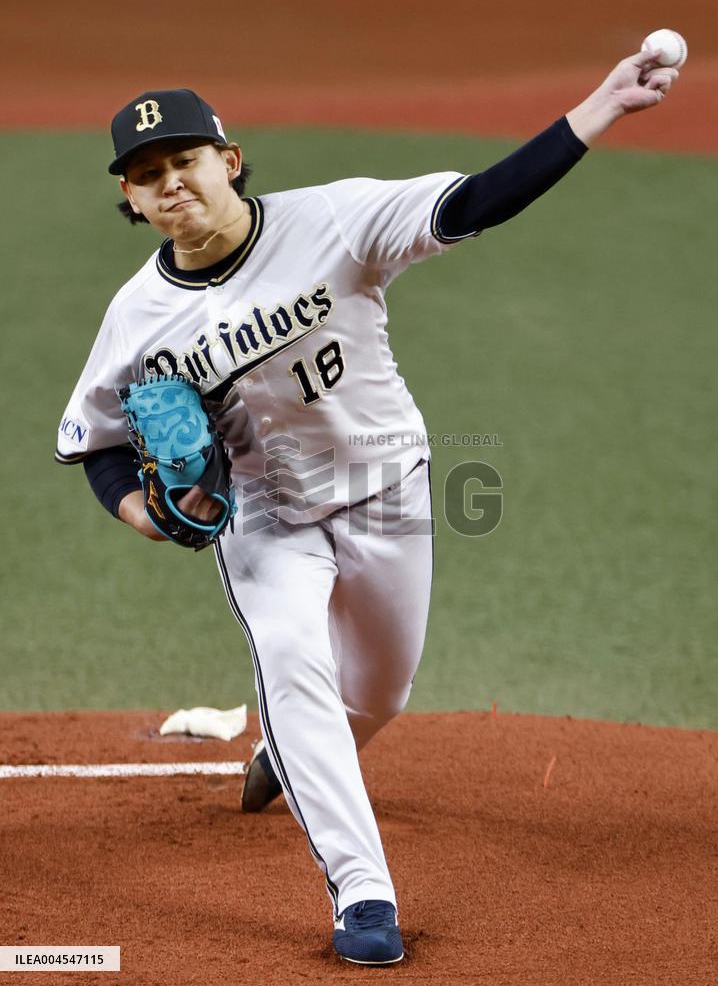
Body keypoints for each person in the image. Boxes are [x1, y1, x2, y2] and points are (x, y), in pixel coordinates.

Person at [56, 51, 679, 966]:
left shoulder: (335, 220)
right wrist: (144, 517)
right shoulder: (137, 315)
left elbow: (472, 204)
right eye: (148, 175)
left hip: (388, 491)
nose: (170, 181)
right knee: (295, 659)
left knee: (380, 692)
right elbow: (98, 441)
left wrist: (598, 108)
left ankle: (292, 756)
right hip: (264, 518)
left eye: (184, 159)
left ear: (229, 159)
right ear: (134, 200)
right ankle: (363, 892)